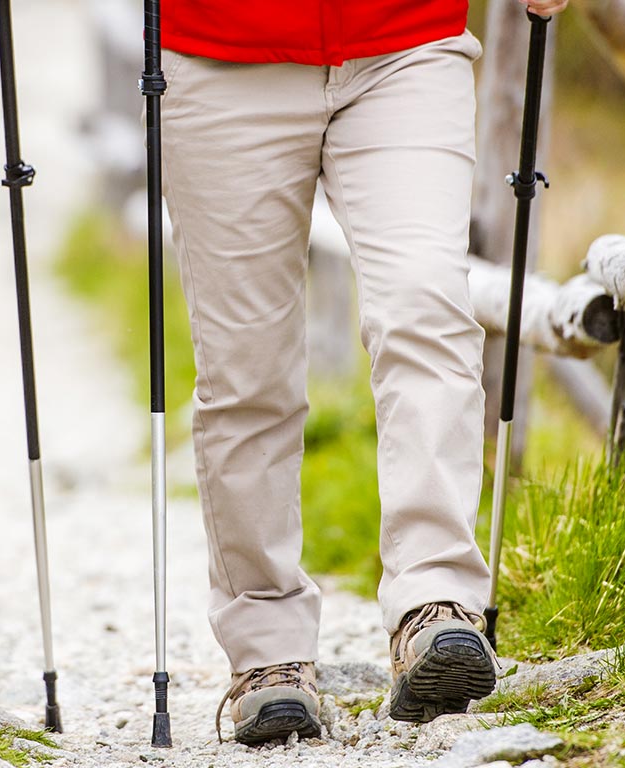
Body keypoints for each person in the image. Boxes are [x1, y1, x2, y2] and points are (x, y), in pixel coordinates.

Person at [157, 0, 569, 744]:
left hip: (405, 40)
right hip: (223, 53)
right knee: (246, 370)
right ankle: (267, 652)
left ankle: (435, 603)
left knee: (426, 305)